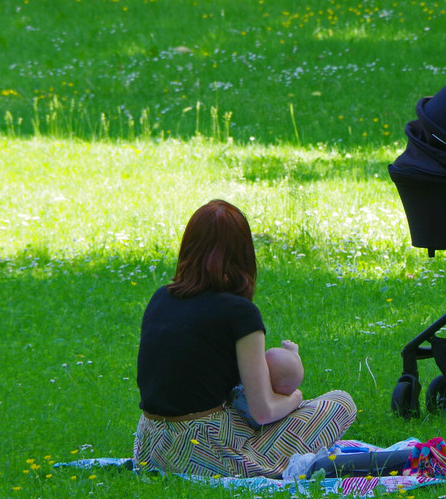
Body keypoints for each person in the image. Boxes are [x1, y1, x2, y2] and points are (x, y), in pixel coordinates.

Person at [134, 199, 357, 478]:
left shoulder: (161, 297)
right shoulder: (240, 313)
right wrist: (296, 398)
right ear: (243, 253)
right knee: (340, 402)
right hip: (203, 450)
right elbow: (263, 411)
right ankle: (258, 460)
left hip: (149, 446)